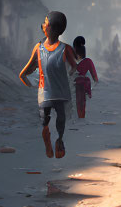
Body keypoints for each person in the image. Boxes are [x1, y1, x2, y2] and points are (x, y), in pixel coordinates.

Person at [18, 11, 77, 159]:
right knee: (46, 119)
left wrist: (71, 75)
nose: (42, 25)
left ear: (50, 28)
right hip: (46, 92)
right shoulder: (39, 48)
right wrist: (25, 79)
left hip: (61, 92)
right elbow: (28, 68)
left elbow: (74, 67)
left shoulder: (65, 49)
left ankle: (59, 140)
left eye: (45, 22)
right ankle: (48, 140)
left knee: (60, 119)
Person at [72, 35, 98, 118]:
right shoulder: (88, 61)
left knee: (75, 103)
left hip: (73, 85)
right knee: (82, 104)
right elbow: (95, 78)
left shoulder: (71, 62)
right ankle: (81, 117)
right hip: (84, 85)